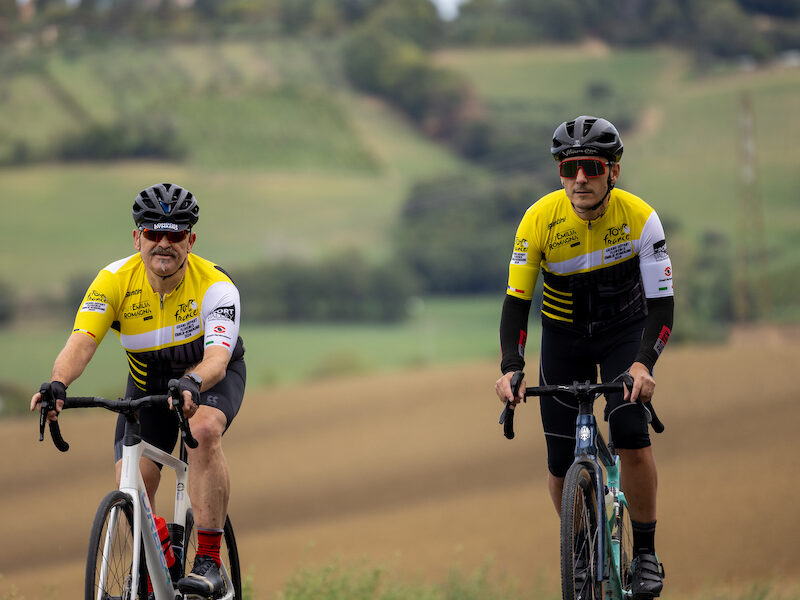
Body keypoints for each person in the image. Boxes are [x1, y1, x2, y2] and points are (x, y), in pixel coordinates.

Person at [31, 183, 245, 599]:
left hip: (207, 379)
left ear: (191, 240)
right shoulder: (113, 281)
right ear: (137, 238)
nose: (163, 243)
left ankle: (207, 562)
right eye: (153, 234)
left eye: (176, 234)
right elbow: (83, 340)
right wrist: (59, 383)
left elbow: (218, 359)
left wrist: (193, 383)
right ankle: (156, 568)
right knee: (133, 490)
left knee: (201, 432)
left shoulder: (216, 286)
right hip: (148, 384)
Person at [494, 116, 673, 599]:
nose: (579, 180)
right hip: (564, 337)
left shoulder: (641, 219)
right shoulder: (538, 220)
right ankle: (578, 544)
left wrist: (643, 363)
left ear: (612, 170)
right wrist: (511, 367)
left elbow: (661, 304)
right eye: (567, 169)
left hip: (623, 333)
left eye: (590, 167)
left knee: (631, 436)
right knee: (558, 462)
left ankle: (647, 553)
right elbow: (516, 303)